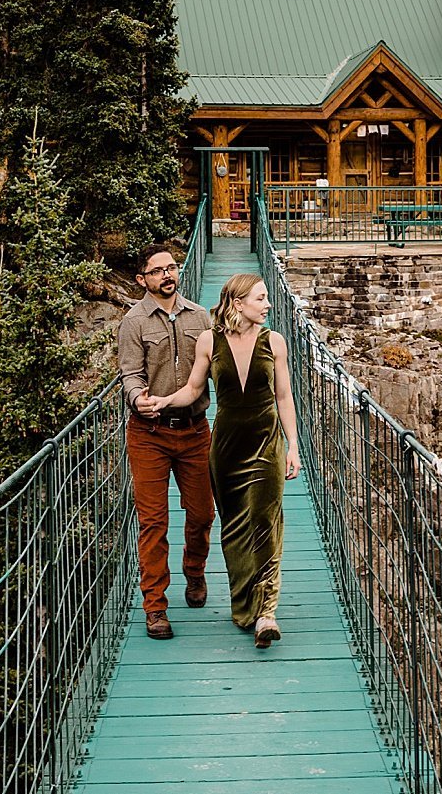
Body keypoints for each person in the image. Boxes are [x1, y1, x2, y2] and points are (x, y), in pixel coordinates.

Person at [167, 273, 300, 648]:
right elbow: (193, 388)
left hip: (265, 444)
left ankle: (267, 612)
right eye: (261, 298)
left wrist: (293, 446)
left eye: (268, 298)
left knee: (266, 522)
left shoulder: (275, 342)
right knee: (235, 530)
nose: (268, 305)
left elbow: (285, 397)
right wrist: (161, 402)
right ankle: (245, 606)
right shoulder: (209, 341)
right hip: (225, 449)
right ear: (238, 303)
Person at [116, 242, 215, 641]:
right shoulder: (133, 322)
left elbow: (214, 367)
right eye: (157, 271)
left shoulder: (201, 316)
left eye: (171, 268)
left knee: (203, 514)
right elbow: (130, 374)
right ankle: (155, 606)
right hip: (149, 435)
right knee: (153, 521)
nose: (167, 275)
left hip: (194, 430)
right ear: (143, 279)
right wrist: (138, 400)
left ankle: (195, 571)